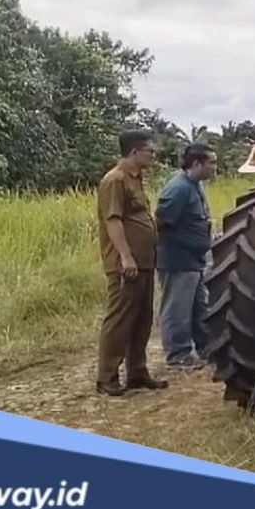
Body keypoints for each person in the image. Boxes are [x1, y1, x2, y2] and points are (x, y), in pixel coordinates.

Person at [94, 129, 168, 396]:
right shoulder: (114, 181)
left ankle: (137, 371)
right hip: (126, 263)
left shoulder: (135, 179)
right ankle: (107, 377)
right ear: (134, 152)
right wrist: (125, 255)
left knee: (142, 318)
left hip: (144, 261)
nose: (153, 154)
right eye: (149, 150)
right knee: (121, 319)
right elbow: (112, 220)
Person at [154, 143, 217, 371]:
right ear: (197, 163)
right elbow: (161, 221)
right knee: (177, 309)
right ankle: (178, 355)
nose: (214, 167)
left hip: (194, 260)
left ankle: (206, 349)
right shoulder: (178, 188)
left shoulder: (195, 185)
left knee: (200, 307)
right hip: (178, 260)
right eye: (211, 162)